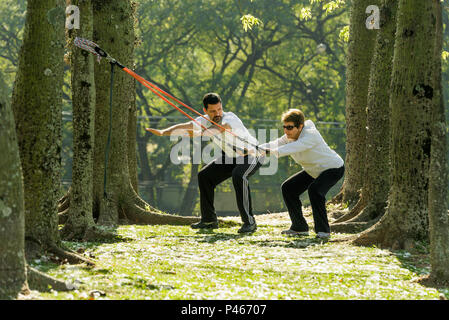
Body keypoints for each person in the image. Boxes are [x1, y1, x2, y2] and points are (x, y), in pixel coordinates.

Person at [146, 93, 263, 233]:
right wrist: (163, 132)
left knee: (238, 175)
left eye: (219, 109)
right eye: (213, 111)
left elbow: (220, 128)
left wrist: (201, 133)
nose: (217, 113)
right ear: (205, 110)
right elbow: (186, 126)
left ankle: (249, 222)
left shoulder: (230, 118)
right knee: (204, 176)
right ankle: (209, 220)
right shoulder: (204, 120)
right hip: (231, 156)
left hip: (252, 154)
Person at [259, 109, 344, 239]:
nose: (286, 131)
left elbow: (293, 148)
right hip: (313, 170)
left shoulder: (310, 135)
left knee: (315, 191)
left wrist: (269, 151)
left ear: (300, 127)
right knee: (288, 188)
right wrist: (254, 148)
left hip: (333, 168)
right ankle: (299, 227)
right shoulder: (289, 136)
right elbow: (274, 144)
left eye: (290, 127)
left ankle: (323, 231)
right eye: (284, 127)